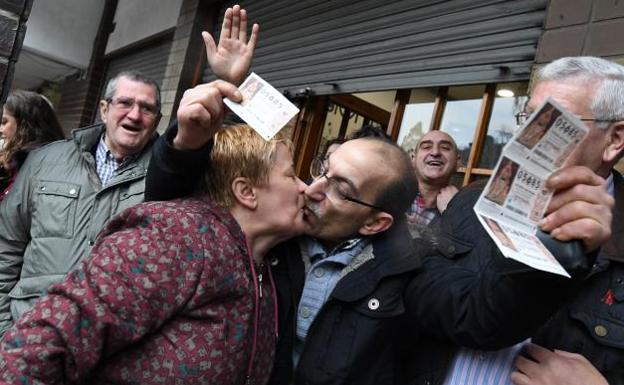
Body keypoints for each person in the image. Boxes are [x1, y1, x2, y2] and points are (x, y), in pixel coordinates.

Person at [143, 62, 613, 385]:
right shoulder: (279, 239)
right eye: (323, 168)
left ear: (376, 223)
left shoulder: (407, 271)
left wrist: (560, 249)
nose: (313, 188)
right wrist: (187, 142)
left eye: (341, 187)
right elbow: (174, 218)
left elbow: (483, 316)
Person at [0, 123, 310, 385]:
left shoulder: (267, 263)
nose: (304, 188)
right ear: (246, 192)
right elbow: (38, 347)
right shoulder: (175, 237)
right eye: (291, 175)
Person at [440, 56, 624, 385]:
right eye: (528, 116)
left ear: (614, 140)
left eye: (553, 120)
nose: (526, 135)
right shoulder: (470, 201)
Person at [0, 70, 161, 336]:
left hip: (110, 343)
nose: (134, 115)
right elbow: (7, 243)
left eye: (147, 108)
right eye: (125, 103)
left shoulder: (165, 179)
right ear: (104, 109)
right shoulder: (43, 161)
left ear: (156, 121)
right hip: (26, 329)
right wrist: (4, 329)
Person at [0, 90, 64, 201]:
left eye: (4, 122)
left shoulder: (40, 169)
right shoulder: (16, 162)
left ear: (24, 125)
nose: (1, 129)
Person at [406, 130, 460, 235]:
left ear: (457, 163)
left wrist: (452, 211)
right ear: (413, 159)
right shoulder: (390, 193)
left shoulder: (464, 208)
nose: (435, 152)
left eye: (445, 148)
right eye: (426, 147)